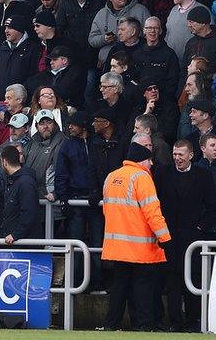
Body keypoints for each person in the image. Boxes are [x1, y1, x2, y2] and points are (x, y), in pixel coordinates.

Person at [101, 140, 172, 331]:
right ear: (141, 160)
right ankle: (143, 325)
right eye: (149, 160)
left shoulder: (111, 177)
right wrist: (165, 238)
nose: (151, 164)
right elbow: (152, 212)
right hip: (140, 248)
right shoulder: (142, 177)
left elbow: (107, 211)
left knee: (119, 288)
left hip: (116, 246)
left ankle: (111, 325)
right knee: (143, 289)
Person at [155, 139, 216, 332]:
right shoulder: (162, 173)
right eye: (174, 154)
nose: (177, 158)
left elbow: (213, 206)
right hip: (170, 238)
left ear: (190, 155)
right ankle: (175, 323)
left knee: (193, 281)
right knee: (172, 282)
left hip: (193, 238)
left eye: (180, 154)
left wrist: (200, 228)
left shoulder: (204, 175)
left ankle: (193, 322)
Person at [55, 111, 106, 292]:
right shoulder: (67, 146)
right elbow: (61, 173)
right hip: (76, 200)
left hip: (95, 202)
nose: (69, 127)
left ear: (83, 125)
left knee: (96, 243)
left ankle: (98, 282)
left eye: (73, 124)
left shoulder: (97, 144)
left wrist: (98, 192)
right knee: (75, 244)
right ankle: (75, 284)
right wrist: (64, 199)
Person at [55, 0, 102, 105]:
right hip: (72, 55)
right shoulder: (66, 4)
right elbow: (59, 28)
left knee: (90, 89)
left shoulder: (97, 4)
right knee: (73, 87)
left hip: (91, 55)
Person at [88, 0, 150, 68]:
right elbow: (92, 40)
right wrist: (104, 39)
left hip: (134, 63)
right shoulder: (102, 14)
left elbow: (149, 36)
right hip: (108, 65)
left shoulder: (141, 10)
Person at [0, 14, 41, 104]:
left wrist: (19, 92)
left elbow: (34, 75)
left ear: (19, 30)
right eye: (5, 28)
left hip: (21, 101)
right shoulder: (1, 48)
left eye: (10, 28)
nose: (6, 31)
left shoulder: (32, 48)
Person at [0, 145, 41, 243]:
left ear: (4, 161)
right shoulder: (13, 180)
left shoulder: (25, 182)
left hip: (23, 243)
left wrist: (16, 234)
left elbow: (29, 212)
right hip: (14, 239)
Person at [87, 108, 130, 207]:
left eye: (96, 121)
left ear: (106, 123)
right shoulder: (94, 143)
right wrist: (94, 191)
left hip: (120, 197)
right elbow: (92, 169)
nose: (93, 124)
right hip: (100, 197)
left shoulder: (124, 142)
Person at [132, 17, 181, 99]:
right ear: (144, 30)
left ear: (160, 31)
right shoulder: (136, 54)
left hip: (163, 101)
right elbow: (134, 80)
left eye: (156, 28)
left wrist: (159, 97)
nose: (152, 31)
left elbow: (173, 81)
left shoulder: (169, 54)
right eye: (149, 28)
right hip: (140, 100)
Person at [165, 0, 210, 69]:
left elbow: (210, 37)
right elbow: (168, 34)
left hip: (193, 67)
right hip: (171, 64)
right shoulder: (173, 10)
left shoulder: (202, 10)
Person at [133, 77, 179, 145]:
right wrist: (146, 113)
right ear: (144, 94)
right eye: (149, 89)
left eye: (155, 88)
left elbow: (170, 133)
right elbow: (133, 131)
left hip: (161, 144)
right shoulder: (139, 108)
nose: (153, 90)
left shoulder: (170, 107)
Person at [183, 6, 216, 75]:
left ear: (203, 23)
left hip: (214, 84)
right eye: (188, 22)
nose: (189, 25)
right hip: (192, 84)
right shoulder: (190, 42)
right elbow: (184, 70)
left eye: (191, 22)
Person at [0, 113, 32, 181]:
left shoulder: (34, 147)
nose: (12, 130)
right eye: (11, 127)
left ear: (26, 128)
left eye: (17, 127)